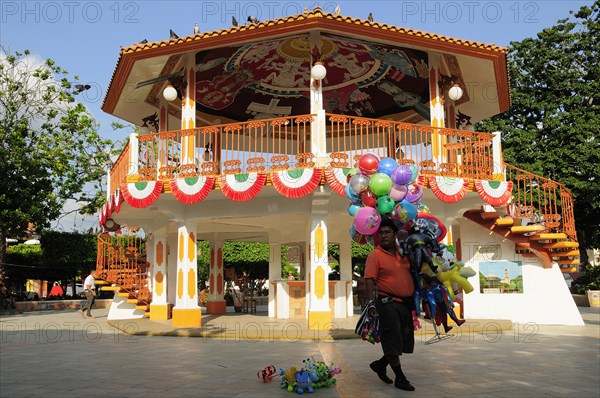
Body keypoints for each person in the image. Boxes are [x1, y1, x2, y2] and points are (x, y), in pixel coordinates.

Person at [364, 218, 416, 391]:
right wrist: (370, 304)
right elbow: (369, 280)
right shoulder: (375, 255)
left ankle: (380, 365)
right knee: (392, 339)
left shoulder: (403, 253)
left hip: (405, 304)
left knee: (402, 340)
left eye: (387, 232)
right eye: (381, 233)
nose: (384, 236)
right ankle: (400, 378)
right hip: (387, 303)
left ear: (395, 234)